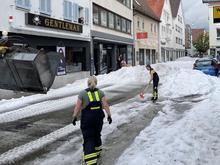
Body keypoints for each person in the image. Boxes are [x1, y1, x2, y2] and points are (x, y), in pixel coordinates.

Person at [72, 76, 112, 165]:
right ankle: (97, 153)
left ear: (87, 83)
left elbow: (78, 107)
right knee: (97, 134)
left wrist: (74, 116)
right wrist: (109, 115)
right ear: (96, 83)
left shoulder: (82, 93)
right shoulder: (101, 93)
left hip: (87, 119)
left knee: (89, 137)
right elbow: (105, 105)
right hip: (98, 118)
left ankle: (90, 161)